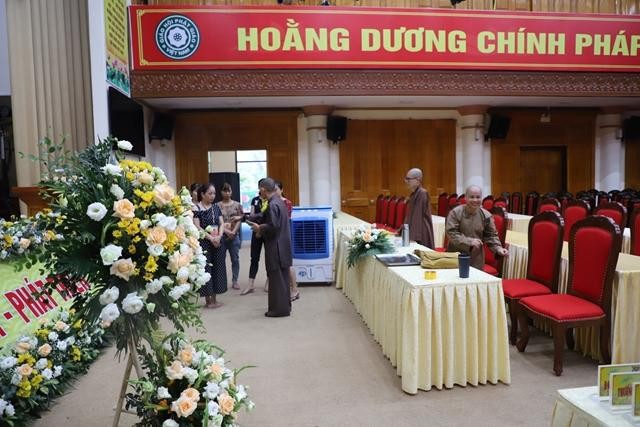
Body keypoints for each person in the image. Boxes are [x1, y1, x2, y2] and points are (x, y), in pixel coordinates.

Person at [247, 178, 292, 317]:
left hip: (276, 246)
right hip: (283, 244)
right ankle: (285, 307)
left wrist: (259, 228)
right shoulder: (278, 201)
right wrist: (244, 217)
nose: (259, 192)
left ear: (263, 189)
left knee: (276, 278)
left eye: (260, 190)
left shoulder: (272, 204)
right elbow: (263, 215)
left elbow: (273, 226)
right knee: (283, 278)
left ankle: (278, 310)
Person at [445, 185, 509, 270]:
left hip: (476, 258)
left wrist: (498, 248)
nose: (475, 200)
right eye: (472, 197)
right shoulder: (455, 213)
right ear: (466, 198)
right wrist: (469, 242)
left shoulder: (486, 215)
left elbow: (491, 235)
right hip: (455, 256)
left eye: (478, 197)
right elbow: (451, 233)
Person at [193, 183, 227, 308]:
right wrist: (211, 238)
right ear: (202, 194)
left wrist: (219, 236)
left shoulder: (216, 207)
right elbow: (197, 226)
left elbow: (221, 223)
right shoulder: (197, 208)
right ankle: (208, 300)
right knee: (206, 269)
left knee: (218, 268)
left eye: (214, 193)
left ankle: (215, 299)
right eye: (210, 193)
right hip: (205, 243)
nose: (213, 196)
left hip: (218, 242)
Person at [240, 179, 268, 295]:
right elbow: (251, 216)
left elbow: (267, 217)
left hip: (267, 231)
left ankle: (268, 281)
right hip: (255, 231)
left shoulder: (270, 200)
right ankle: (250, 284)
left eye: (264, 186)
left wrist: (258, 219)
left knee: (269, 258)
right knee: (254, 258)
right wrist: (257, 218)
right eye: (260, 186)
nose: (262, 189)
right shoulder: (255, 200)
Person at [275, 180, 299, 302]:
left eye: (276, 189)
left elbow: (284, 221)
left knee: (288, 264)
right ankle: (286, 289)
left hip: (285, 235)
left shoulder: (286, 203)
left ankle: (295, 289)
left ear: (281, 190)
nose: (275, 192)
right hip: (276, 237)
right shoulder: (272, 202)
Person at [217, 182, 244, 291]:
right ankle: (221, 281)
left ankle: (235, 281)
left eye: (229, 191)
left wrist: (233, 232)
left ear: (231, 192)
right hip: (221, 236)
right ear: (221, 192)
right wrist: (227, 232)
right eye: (225, 191)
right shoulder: (217, 206)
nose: (227, 193)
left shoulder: (237, 205)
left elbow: (240, 219)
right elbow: (218, 222)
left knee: (235, 259)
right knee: (220, 259)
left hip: (234, 236)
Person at [403, 167, 435, 249]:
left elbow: (417, 217)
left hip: (421, 231)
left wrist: (413, 237)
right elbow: (410, 215)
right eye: (406, 179)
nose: (406, 181)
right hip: (415, 229)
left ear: (417, 180)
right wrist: (402, 229)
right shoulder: (414, 194)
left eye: (408, 179)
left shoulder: (422, 193)